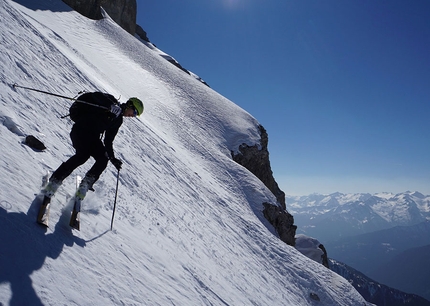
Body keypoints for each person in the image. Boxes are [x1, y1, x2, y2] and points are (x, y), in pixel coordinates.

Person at [40, 92, 144, 215]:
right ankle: (54, 182)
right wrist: (111, 105)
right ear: (130, 105)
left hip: (93, 137)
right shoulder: (111, 101)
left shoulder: (118, 120)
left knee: (103, 159)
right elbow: (96, 95)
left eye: (136, 115)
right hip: (80, 130)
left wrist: (113, 158)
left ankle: (85, 185)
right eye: (135, 112)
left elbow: (108, 141)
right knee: (82, 156)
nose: (133, 116)